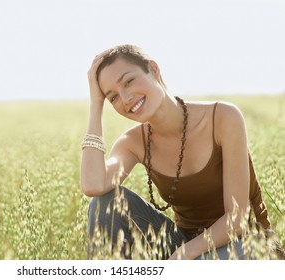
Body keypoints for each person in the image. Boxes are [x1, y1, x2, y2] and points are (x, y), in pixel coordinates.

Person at [80, 44, 282, 260]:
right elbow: (94, 185)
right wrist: (96, 104)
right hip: (184, 246)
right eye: (113, 97)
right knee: (104, 204)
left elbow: (238, 219)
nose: (126, 98)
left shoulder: (223, 118)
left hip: (246, 246)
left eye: (128, 81)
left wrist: (183, 256)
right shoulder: (132, 143)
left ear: (154, 69)